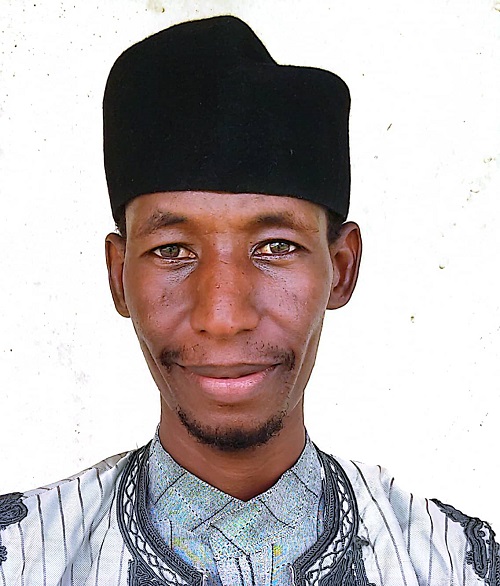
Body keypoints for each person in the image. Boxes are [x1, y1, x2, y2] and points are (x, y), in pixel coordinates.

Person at [0, 15, 498, 586]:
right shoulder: (20, 558)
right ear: (118, 277)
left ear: (341, 268)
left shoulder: (455, 564)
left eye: (276, 247)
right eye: (172, 251)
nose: (223, 317)